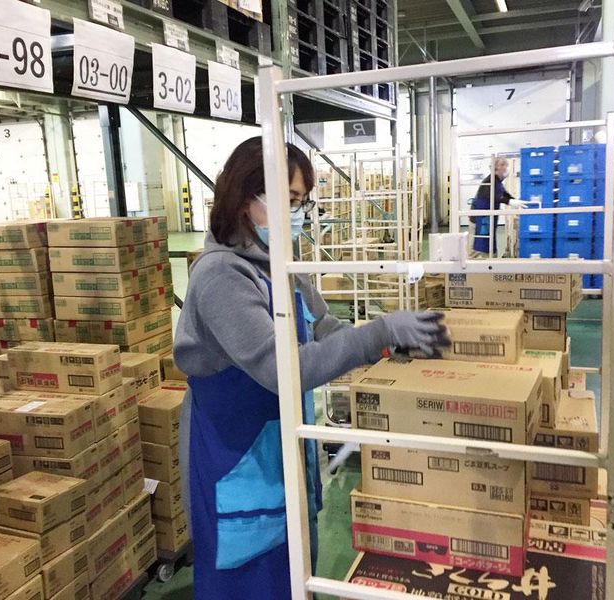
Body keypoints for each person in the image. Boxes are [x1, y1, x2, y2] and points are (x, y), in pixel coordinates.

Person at [173, 136, 449, 599]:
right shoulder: (221, 275)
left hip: (280, 452)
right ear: (244, 198)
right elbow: (281, 369)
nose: (298, 214)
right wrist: (377, 334)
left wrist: (392, 344)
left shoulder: (282, 268)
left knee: (294, 571)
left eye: (301, 202)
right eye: (288, 200)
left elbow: (325, 328)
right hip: (237, 460)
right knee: (248, 581)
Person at [469, 157, 520, 257]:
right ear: (497, 167)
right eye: (504, 166)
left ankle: (492, 260)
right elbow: (493, 196)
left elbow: (503, 194)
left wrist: (514, 201)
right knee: (477, 247)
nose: (506, 169)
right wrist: (509, 201)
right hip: (479, 220)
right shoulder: (489, 181)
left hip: (488, 219)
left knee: (488, 244)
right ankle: (470, 264)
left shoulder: (497, 182)